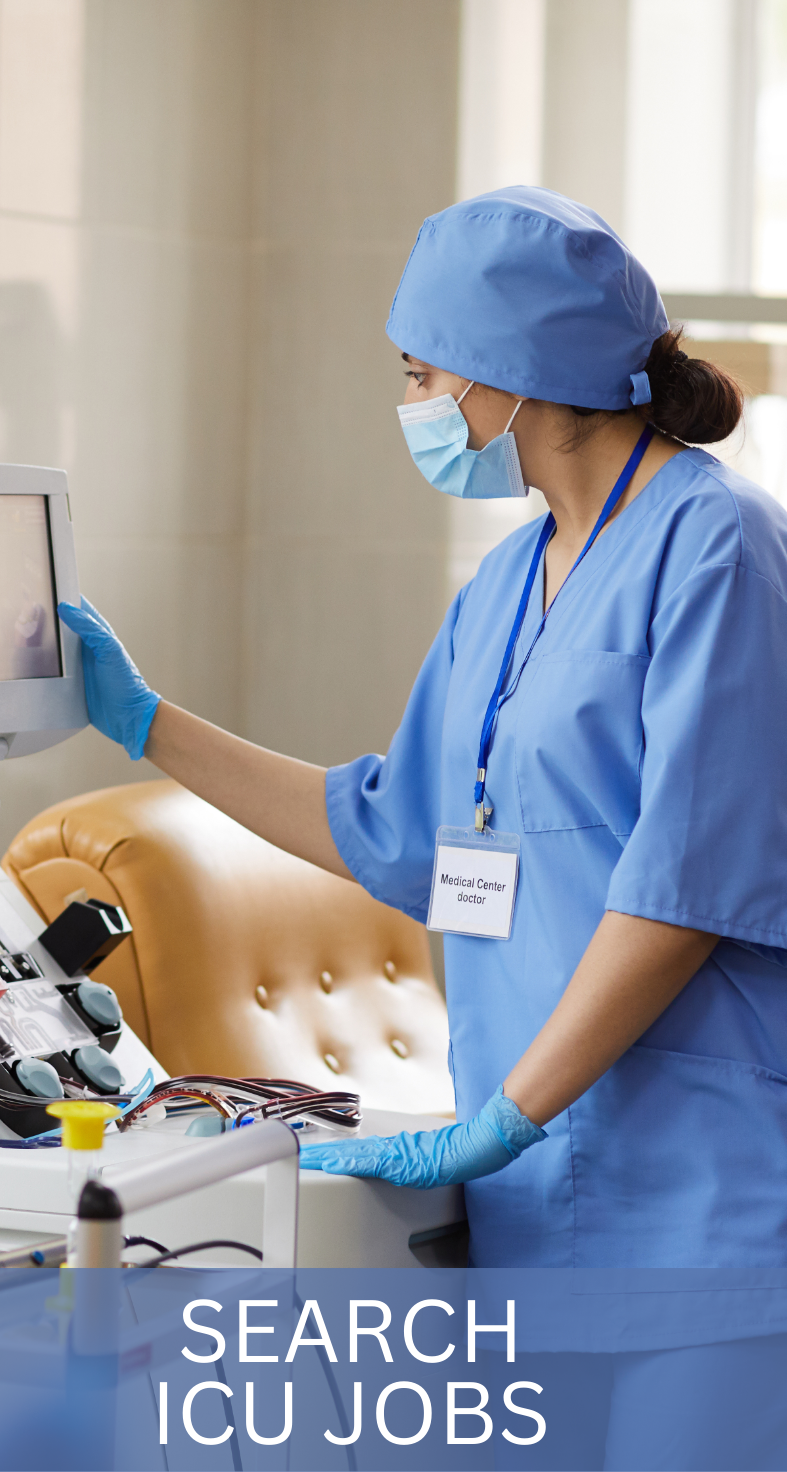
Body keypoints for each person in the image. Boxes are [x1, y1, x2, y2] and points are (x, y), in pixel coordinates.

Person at [59, 186, 787, 1275]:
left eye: (419, 373)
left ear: (511, 370)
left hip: (704, 1197)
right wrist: (148, 721)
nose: (410, 402)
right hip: (530, 1204)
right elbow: (387, 831)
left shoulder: (719, 549)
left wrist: (503, 1120)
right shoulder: (505, 583)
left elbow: (680, 892)